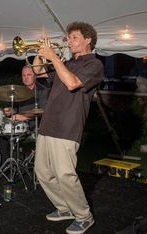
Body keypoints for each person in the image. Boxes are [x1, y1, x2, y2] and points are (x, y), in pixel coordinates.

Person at [33, 22, 104, 234]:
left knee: (65, 174)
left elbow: (72, 83)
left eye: (74, 37)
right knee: (42, 172)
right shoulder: (67, 63)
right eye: (69, 37)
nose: (69, 41)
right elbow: (37, 71)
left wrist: (53, 57)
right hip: (49, 125)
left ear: (88, 40)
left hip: (68, 126)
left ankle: (83, 215)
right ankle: (65, 208)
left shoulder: (94, 65)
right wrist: (40, 53)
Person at [0, 65, 50, 163]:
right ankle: (6, 163)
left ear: (35, 76)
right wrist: (11, 110)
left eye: (29, 75)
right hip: (19, 125)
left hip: (35, 127)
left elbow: (43, 110)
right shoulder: (19, 92)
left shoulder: (43, 91)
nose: (26, 77)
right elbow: (16, 110)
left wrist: (24, 117)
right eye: (23, 75)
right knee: (1, 134)